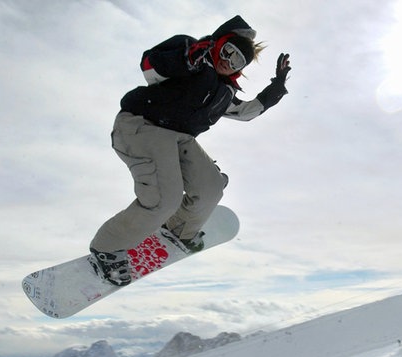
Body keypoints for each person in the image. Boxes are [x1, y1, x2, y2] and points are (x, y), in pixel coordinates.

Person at [89, 15, 291, 286]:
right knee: (164, 200)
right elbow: (151, 66)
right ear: (218, 43)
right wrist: (186, 57)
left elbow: (244, 113)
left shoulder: (224, 92)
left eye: (236, 62)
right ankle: (108, 248)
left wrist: (276, 88)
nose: (226, 61)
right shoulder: (194, 60)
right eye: (227, 52)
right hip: (142, 125)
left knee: (211, 188)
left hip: (179, 138)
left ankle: (178, 229)